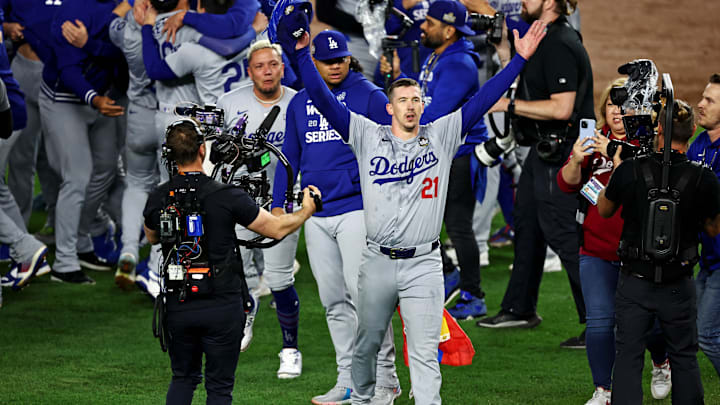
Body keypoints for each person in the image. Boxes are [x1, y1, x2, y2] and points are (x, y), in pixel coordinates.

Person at [276, 4, 546, 400]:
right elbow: (322, 98)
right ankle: (369, 396)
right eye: (401, 100)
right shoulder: (365, 135)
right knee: (367, 348)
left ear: (423, 104)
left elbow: (481, 99)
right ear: (390, 108)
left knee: (423, 354)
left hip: (423, 264)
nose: (409, 105)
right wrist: (301, 55)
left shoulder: (443, 133)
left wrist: (519, 61)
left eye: (416, 99)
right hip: (378, 262)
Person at [143, 118, 319, 405]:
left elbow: (152, 237)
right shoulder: (226, 196)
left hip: (178, 303)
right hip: (222, 304)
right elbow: (275, 228)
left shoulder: (158, 197)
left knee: (183, 378)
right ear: (203, 151)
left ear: (169, 155)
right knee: (220, 388)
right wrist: (306, 211)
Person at [270, 30, 400, 402]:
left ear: (348, 57)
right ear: (314, 62)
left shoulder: (369, 95)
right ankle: (348, 380)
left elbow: (392, 149)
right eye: (327, 61)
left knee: (366, 299)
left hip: (358, 209)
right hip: (316, 213)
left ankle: (386, 380)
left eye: (340, 58)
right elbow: (288, 157)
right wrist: (279, 203)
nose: (336, 66)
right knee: (333, 301)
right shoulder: (300, 102)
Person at [477, 0, 592, 349]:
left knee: (566, 235)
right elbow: (530, 86)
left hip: (563, 154)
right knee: (527, 225)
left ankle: (602, 322)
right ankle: (519, 308)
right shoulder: (541, 37)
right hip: (545, 151)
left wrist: (506, 105)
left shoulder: (559, 42)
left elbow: (562, 107)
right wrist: (503, 54)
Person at [598, 100, 720, 405]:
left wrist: (618, 171)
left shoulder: (631, 169)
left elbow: (604, 209)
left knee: (628, 357)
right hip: (679, 283)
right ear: (691, 131)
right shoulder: (704, 177)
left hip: (634, 282)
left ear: (658, 131)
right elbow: (714, 229)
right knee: (683, 357)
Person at [557, 78, 670, 404]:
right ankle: (603, 390)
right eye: (612, 104)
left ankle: (661, 362)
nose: (618, 111)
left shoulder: (650, 146)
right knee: (600, 324)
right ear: (603, 109)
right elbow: (567, 186)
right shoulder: (593, 140)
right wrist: (577, 160)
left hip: (641, 252)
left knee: (649, 324)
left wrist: (620, 159)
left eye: (626, 105)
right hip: (595, 250)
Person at [380, 0, 492, 320]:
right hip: (443, 152)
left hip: (460, 154)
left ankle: (473, 293)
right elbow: (423, 96)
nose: (423, 27)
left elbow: (436, 111)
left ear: (449, 29)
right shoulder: (440, 55)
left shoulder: (458, 65)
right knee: (420, 218)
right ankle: (450, 273)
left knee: (457, 226)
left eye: (429, 23)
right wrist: (400, 75)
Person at [215, 39, 305, 379]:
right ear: (249, 71)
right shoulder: (229, 103)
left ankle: (290, 349)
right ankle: (247, 309)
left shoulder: (299, 103)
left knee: (281, 278)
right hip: (239, 201)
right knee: (233, 269)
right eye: (260, 66)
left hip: (283, 205)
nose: (267, 71)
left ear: (283, 68)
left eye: (273, 65)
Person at [41, 0, 125, 284]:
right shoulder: (72, 9)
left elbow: (122, 53)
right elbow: (68, 69)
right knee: (76, 177)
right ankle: (63, 263)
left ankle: (80, 240)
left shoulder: (124, 6)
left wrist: (91, 43)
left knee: (105, 169)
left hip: (102, 97)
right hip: (65, 98)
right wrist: (94, 98)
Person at [688, 73, 720, 376]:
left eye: (709, 100)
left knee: (707, 335)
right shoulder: (698, 144)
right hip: (709, 261)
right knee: (690, 330)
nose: (700, 104)